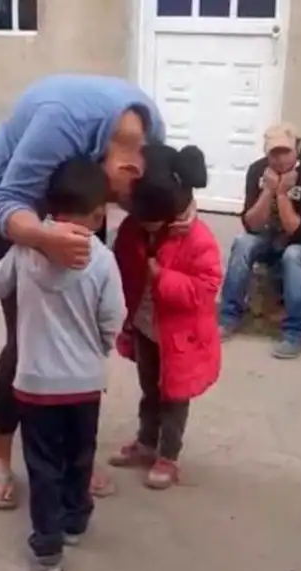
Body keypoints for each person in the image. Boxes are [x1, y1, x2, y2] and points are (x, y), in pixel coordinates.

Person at [0, 73, 175, 509]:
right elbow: (6, 201)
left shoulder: (151, 132)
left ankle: (73, 458)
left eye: (110, 210)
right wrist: (43, 238)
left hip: (78, 197)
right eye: (118, 203)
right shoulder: (60, 123)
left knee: (78, 329)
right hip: (10, 197)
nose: (112, 214)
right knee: (26, 334)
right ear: (123, 169)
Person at [0, 158, 125, 571]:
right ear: (98, 214)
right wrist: (97, 349)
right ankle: (75, 520)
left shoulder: (26, 250)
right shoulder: (103, 260)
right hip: (84, 384)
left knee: (42, 466)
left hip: (35, 386)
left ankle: (48, 548)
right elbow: (113, 317)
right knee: (80, 455)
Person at [110, 143, 223, 490]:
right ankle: (146, 443)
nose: (147, 228)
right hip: (146, 327)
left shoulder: (197, 238)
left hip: (180, 337)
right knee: (150, 389)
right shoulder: (134, 229)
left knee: (174, 396)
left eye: (153, 223)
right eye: (142, 221)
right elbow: (120, 265)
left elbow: (206, 287)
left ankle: (169, 456)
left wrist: (162, 278)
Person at [218, 122, 301, 359]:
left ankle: (296, 333)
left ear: (297, 148)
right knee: (242, 243)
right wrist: (268, 191)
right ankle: (228, 318)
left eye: (285, 151)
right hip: (272, 237)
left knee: (293, 256)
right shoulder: (258, 171)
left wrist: (282, 194)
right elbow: (251, 224)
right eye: (274, 153)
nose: (280, 159)